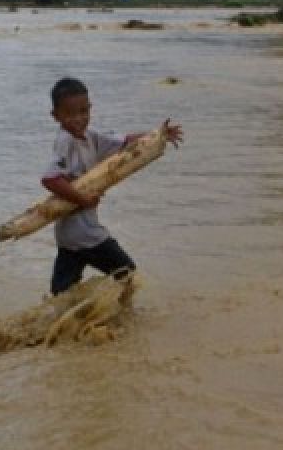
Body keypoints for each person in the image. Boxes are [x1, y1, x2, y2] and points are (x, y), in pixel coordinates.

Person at [41, 77, 183, 295]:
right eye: (70, 114)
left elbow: (125, 141)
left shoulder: (90, 137)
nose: (78, 119)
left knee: (62, 295)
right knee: (127, 274)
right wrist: (83, 200)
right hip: (86, 234)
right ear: (56, 116)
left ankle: (74, 324)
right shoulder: (64, 141)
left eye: (83, 111)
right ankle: (123, 321)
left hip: (68, 237)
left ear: (90, 108)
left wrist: (158, 135)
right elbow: (50, 179)